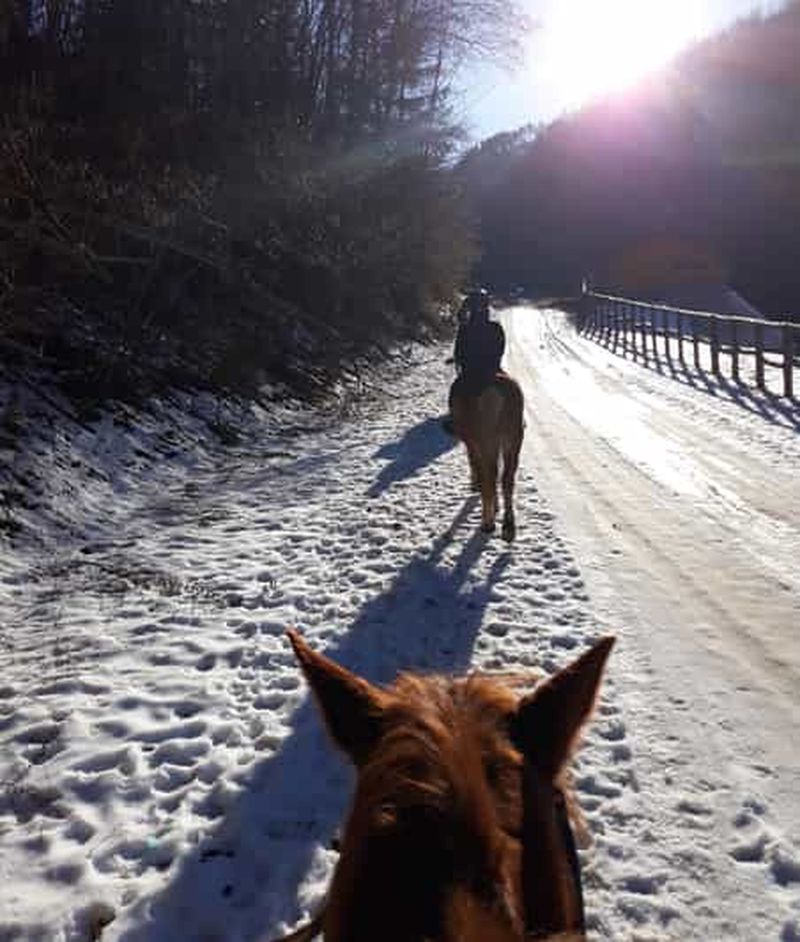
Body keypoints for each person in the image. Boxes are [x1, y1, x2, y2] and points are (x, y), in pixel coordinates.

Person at [442, 289, 506, 434]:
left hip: (471, 372)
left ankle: (454, 420)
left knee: (455, 389)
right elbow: (501, 349)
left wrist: (460, 360)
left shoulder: (465, 329)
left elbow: (459, 352)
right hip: (492, 369)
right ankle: (518, 419)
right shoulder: (496, 328)